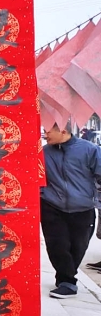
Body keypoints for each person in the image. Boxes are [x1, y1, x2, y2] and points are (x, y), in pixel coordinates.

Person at [42, 123, 101, 298]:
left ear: (63, 130)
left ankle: (65, 278)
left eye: (48, 131)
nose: (45, 135)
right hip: (51, 205)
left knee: (78, 246)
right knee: (57, 245)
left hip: (83, 207)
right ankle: (67, 282)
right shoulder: (44, 153)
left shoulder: (90, 150)